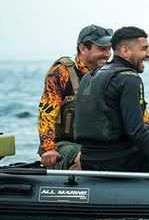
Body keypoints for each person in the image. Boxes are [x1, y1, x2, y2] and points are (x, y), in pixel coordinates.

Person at [73, 26, 149, 184]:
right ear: (125, 51)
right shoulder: (129, 79)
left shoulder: (90, 76)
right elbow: (136, 131)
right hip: (119, 163)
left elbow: (120, 126)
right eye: (144, 49)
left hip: (89, 160)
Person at [37, 25, 113, 170]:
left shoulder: (110, 74)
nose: (107, 54)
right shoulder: (61, 73)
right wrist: (48, 149)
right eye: (102, 49)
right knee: (89, 159)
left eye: (109, 49)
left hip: (99, 145)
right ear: (83, 48)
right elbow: (46, 113)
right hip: (64, 144)